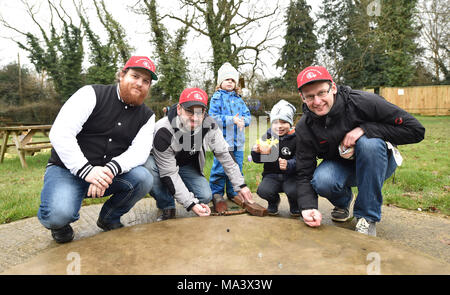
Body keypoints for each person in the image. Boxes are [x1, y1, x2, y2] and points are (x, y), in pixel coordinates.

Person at [38, 56, 158, 243]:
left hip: (108, 174)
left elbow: (139, 152)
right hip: (67, 171)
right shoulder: (91, 94)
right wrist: (87, 171)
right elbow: (60, 133)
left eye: (146, 81)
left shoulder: (147, 116)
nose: (139, 84)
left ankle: (109, 218)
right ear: (121, 75)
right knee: (58, 214)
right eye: (135, 76)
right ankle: (60, 225)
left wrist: (108, 170)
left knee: (144, 178)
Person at [295, 66, 425, 236]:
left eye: (321, 93)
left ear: (333, 88)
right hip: (342, 165)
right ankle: (343, 203)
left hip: (378, 161)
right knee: (322, 180)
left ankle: (367, 217)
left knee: (368, 144)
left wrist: (365, 129)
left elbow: (415, 130)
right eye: (310, 96)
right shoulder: (304, 127)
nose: (317, 101)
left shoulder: (363, 101)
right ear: (302, 97)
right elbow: (304, 172)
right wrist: (308, 207)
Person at [144, 87, 254, 221]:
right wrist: (191, 204)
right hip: (161, 165)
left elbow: (225, 155)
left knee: (205, 196)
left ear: (204, 112)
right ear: (179, 109)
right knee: (149, 169)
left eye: (199, 112)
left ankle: (177, 191)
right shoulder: (163, 130)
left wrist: (240, 185)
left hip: (186, 165)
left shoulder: (210, 125)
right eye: (189, 111)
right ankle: (167, 205)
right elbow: (169, 173)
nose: (195, 118)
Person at [208, 62, 251, 201]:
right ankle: (217, 193)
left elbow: (247, 116)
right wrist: (232, 119)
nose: (230, 82)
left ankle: (234, 192)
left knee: (237, 167)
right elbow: (213, 118)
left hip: (238, 142)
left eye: (233, 80)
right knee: (220, 169)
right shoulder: (216, 98)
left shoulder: (239, 100)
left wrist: (244, 121)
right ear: (220, 82)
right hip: (222, 141)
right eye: (227, 79)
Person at [251, 99, 299, 216]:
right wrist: (256, 152)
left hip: (291, 175)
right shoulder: (267, 137)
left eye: (283, 122)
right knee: (263, 191)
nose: (279, 126)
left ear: (290, 123)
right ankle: (273, 201)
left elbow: (301, 159)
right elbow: (257, 160)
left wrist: (289, 164)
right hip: (271, 174)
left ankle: (295, 203)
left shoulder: (297, 138)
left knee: (294, 190)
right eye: (275, 122)